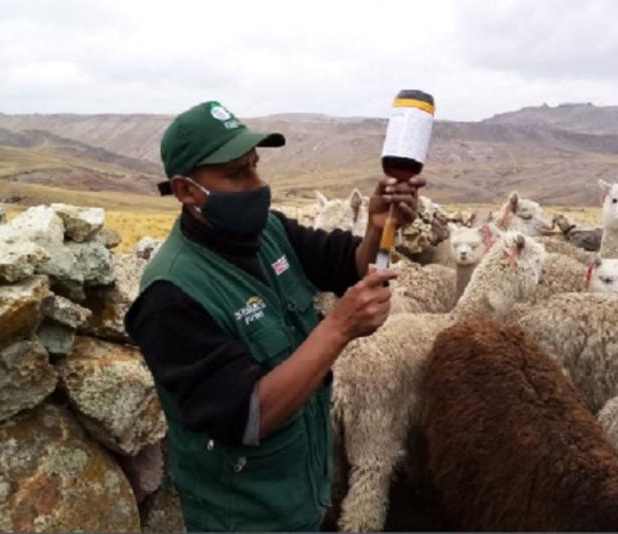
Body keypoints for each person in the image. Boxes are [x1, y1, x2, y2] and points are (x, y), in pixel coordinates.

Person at [124, 101, 425, 532]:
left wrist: (380, 229)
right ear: (186, 190)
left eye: (255, 166)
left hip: (304, 499)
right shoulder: (170, 294)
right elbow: (249, 415)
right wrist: (338, 329)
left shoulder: (270, 231)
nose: (257, 185)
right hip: (246, 518)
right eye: (236, 174)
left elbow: (351, 266)